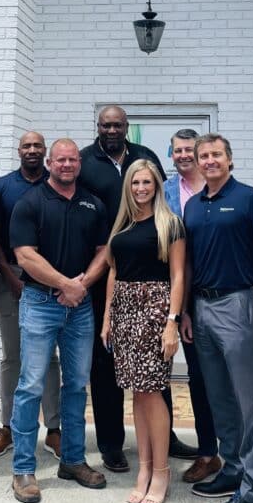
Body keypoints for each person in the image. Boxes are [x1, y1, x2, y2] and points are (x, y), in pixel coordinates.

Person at [79, 105, 197, 471]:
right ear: (98, 127)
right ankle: (112, 443)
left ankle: (165, 438)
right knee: (106, 365)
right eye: (106, 125)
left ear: (126, 127)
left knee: (154, 370)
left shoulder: (144, 156)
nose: (112, 130)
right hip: (109, 274)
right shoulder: (85, 161)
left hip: (152, 278)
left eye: (118, 124)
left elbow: (163, 205)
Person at [183, 132, 253, 503]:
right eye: (203, 156)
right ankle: (233, 468)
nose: (209, 161)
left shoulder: (250, 198)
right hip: (201, 308)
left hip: (237, 304)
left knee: (247, 401)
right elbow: (189, 261)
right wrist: (186, 311)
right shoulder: (193, 206)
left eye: (216, 155)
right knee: (219, 397)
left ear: (229, 159)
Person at [8, 138, 110, 503]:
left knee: (77, 385)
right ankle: (23, 469)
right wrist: (66, 284)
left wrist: (80, 287)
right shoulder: (29, 202)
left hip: (79, 308)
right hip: (40, 303)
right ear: (50, 163)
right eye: (60, 160)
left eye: (72, 160)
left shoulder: (93, 204)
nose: (67, 165)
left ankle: (73, 461)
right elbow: (25, 256)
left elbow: (104, 252)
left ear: (78, 164)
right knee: (31, 385)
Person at [101, 160, 185, 503]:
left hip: (154, 310)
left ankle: (162, 472)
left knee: (152, 391)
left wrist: (172, 322)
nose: (141, 188)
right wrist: (107, 317)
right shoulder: (122, 224)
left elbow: (178, 276)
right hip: (124, 310)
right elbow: (113, 271)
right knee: (137, 393)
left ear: (157, 186)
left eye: (147, 182)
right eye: (135, 182)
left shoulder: (170, 224)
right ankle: (145, 468)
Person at [0, 131, 61, 461]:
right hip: (11, 276)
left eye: (37, 146)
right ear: (19, 151)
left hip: (49, 277)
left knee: (50, 358)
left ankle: (54, 429)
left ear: (45, 152)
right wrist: (9, 276)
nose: (31, 150)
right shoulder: (3, 187)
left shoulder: (56, 183)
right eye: (26, 145)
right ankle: (9, 428)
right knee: (13, 357)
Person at [163, 129, 221, 485]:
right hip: (179, 295)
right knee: (195, 378)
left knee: (221, 379)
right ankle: (206, 452)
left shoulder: (218, 189)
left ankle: (234, 452)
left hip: (218, 292)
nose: (184, 155)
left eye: (189, 150)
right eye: (178, 151)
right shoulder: (166, 191)